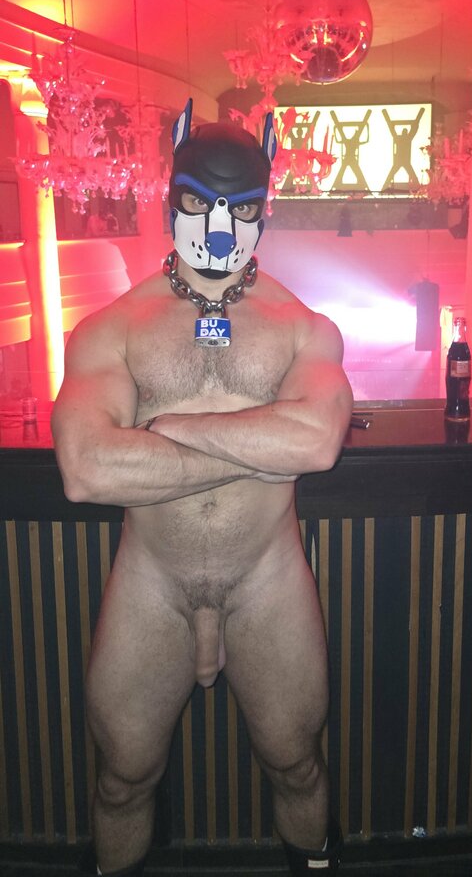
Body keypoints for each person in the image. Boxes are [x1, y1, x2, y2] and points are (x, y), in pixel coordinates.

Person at [51, 100, 353, 877]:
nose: (219, 227)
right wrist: (260, 444)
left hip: (267, 579)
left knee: (299, 767)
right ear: (171, 199)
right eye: (200, 203)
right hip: (151, 583)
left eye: (240, 209)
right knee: (121, 781)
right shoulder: (113, 328)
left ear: (262, 211)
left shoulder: (301, 325)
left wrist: (169, 429)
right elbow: (87, 469)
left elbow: (317, 442)